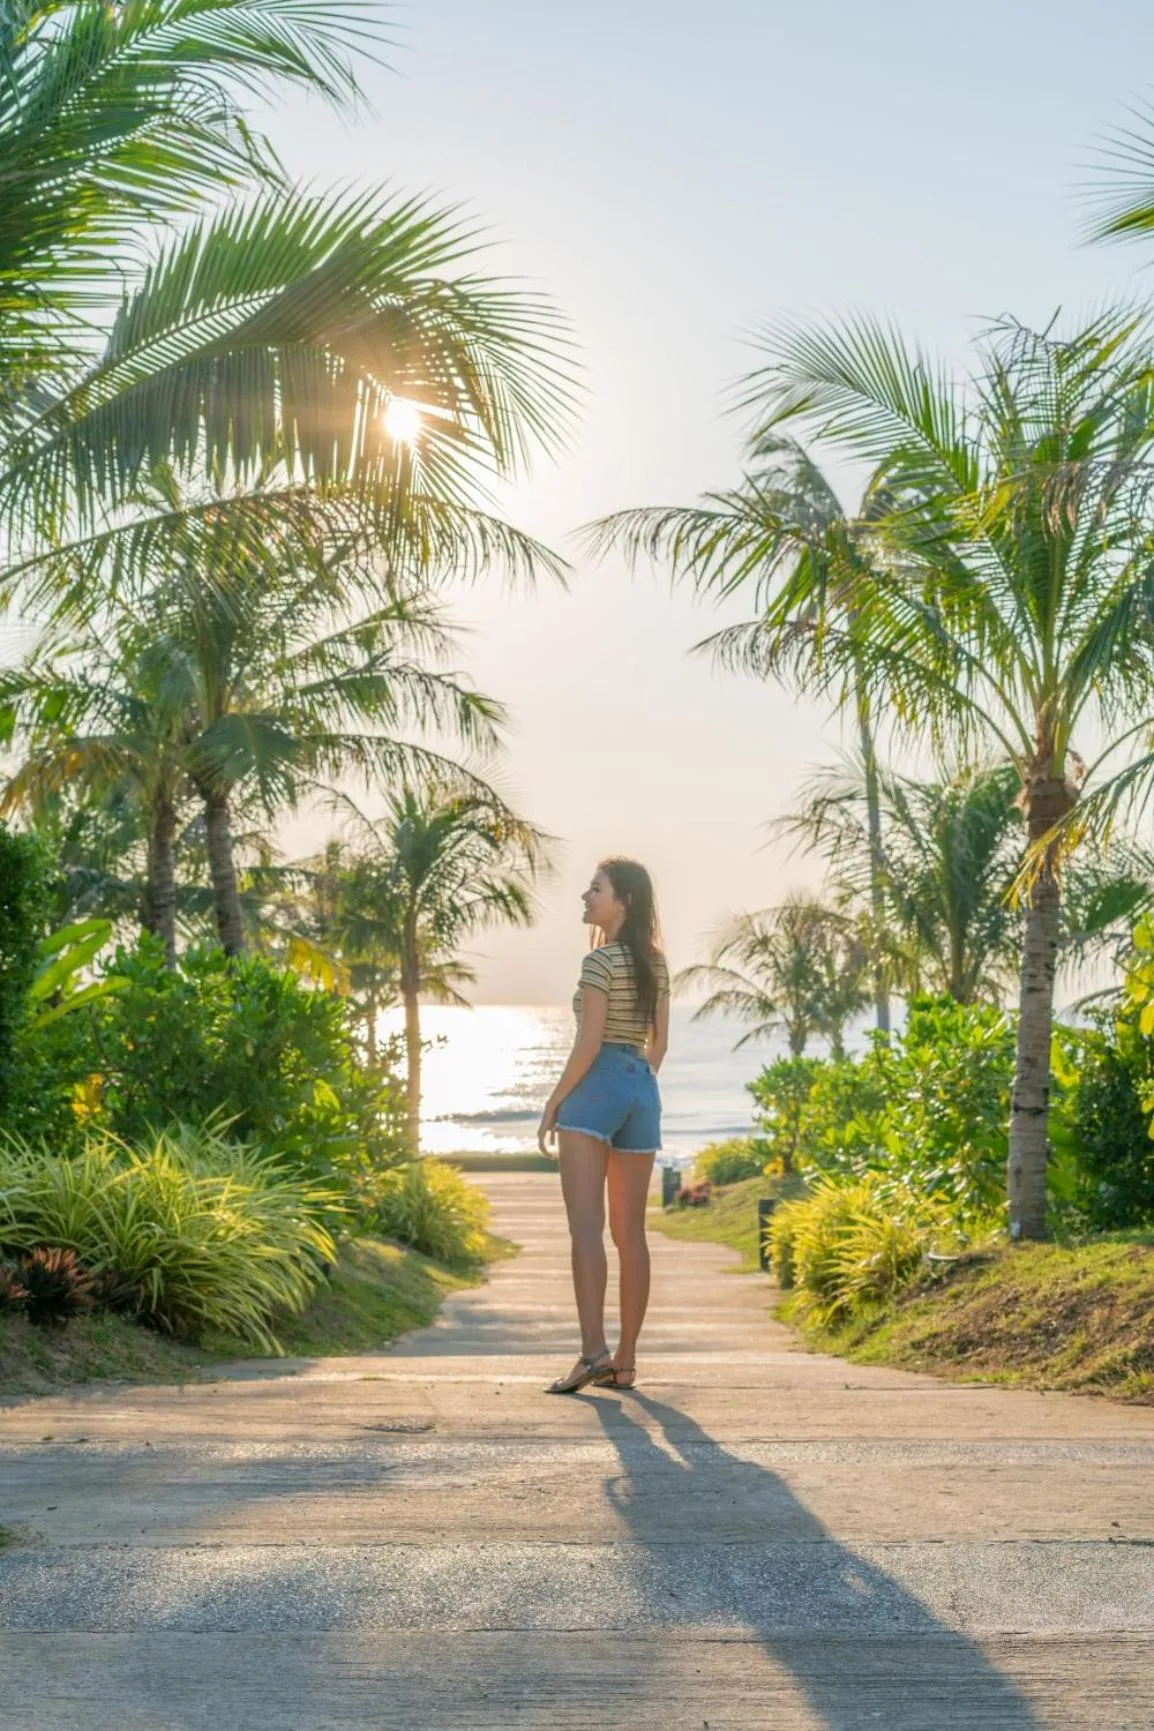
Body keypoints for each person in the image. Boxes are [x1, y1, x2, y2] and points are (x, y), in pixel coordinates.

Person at [537, 856, 670, 1394]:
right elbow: (659, 1044)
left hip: (596, 1088)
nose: (586, 898)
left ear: (624, 902)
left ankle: (593, 1352)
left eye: (596, 889)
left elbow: (588, 1044)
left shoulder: (599, 963)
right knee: (631, 1234)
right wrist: (635, 1083)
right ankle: (626, 1361)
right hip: (642, 1086)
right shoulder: (655, 963)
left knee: (586, 1230)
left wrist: (554, 1103)